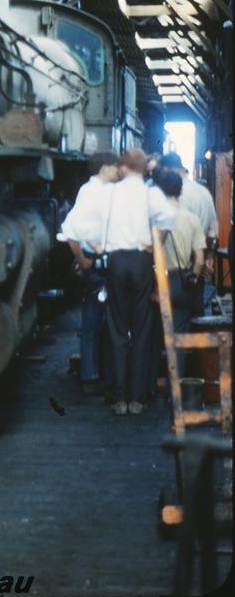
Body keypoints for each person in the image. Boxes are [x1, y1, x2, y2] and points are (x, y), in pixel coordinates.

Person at [99, 148, 176, 416]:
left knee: (117, 330)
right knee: (143, 330)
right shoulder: (150, 193)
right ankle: (138, 399)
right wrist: (156, 243)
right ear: (144, 169)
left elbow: (92, 227)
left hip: (117, 261)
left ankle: (119, 399)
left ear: (122, 167)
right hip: (142, 262)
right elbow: (169, 219)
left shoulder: (110, 193)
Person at [60, 152, 120, 395]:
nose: (118, 171)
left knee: (104, 322)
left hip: (106, 263)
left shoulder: (106, 191)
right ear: (105, 168)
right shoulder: (90, 192)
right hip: (95, 266)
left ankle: (101, 373)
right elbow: (69, 230)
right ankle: (90, 376)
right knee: (94, 321)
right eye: (115, 167)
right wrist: (83, 261)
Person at [151, 169, 206, 386]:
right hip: (182, 281)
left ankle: (154, 382)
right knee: (179, 335)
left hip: (159, 281)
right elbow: (200, 260)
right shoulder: (191, 219)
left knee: (155, 333)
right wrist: (193, 276)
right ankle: (179, 386)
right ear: (180, 191)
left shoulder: (155, 220)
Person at [158, 152, 218, 315]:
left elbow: (178, 233)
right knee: (195, 312)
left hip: (181, 266)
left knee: (177, 317)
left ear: (168, 169)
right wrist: (209, 257)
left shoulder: (179, 194)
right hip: (199, 264)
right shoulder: (203, 192)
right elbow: (213, 228)